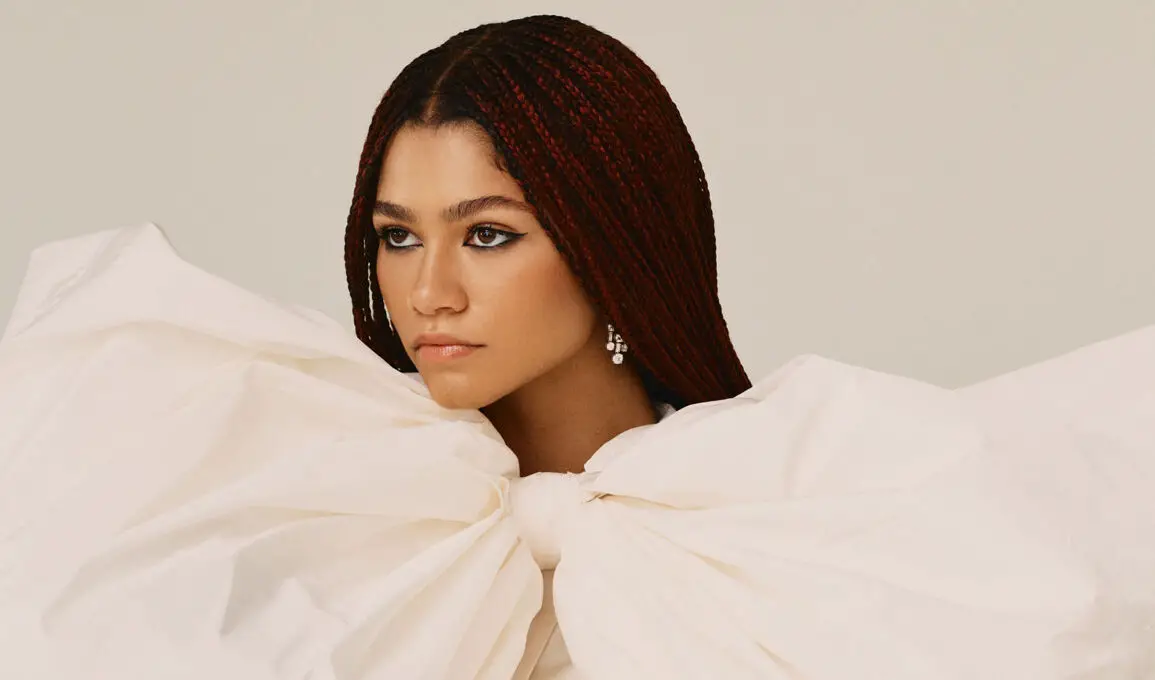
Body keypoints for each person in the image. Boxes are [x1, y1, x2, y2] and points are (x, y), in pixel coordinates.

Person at [0, 14, 1152, 680]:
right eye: (396, 236)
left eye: (488, 234)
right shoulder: (319, 512)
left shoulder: (788, 521)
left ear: (612, 244)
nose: (428, 290)